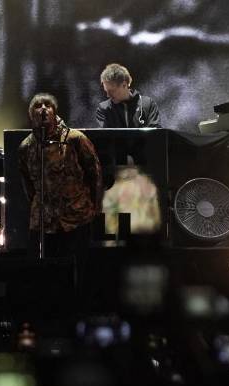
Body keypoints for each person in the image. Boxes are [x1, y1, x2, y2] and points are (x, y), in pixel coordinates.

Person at [17, 93, 102, 262]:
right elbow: (28, 185)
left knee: (78, 270)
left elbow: (95, 174)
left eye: (47, 105)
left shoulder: (75, 139)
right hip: (43, 223)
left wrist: (95, 205)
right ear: (31, 114)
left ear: (54, 111)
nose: (43, 109)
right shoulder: (26, 147)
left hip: (76, 219)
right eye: (37, 106)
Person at [95, 63, 161, 129]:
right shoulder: (104, 108)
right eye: (106, 91)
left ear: (124, 85)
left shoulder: (148, 104)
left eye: (112, 91)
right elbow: (104, 137)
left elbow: (156, 135)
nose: (108, 95)